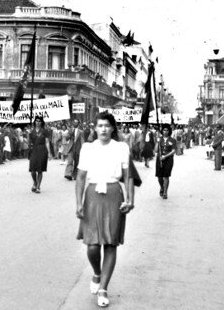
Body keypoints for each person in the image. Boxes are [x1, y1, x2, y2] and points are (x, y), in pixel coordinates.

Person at [75, 112, 134, 308]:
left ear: (113, 129)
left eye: (107, 126)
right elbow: (81, 177)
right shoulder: (87, 148)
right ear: (95, 128)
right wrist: (78, 203)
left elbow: (128, 176)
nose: (103, 129)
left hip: (113, 194)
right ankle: (97, 273)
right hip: (92, 195)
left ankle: (103, 288)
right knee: (92, 245)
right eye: (100, 126)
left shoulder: (121, 148)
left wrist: (130, 199)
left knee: (110, 244)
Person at [28, 116, 51, 193]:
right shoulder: (31, 131)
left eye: (39, 121)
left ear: (42, 122)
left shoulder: (45, 131)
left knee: (40, 170)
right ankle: (35, 182)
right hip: (34, 150)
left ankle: (38, 186)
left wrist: (49, 152)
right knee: (33, 170)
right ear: (34, 122)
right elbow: (29, 142)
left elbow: (47, 142)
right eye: (36, 121)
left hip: (42, 150)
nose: (38, 122)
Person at [155, 125, 176, 199]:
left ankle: (165, 192)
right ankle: (162, 187)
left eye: (167, 130)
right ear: (162, 131)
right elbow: (155, 150)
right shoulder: (159, 139)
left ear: (169, 131)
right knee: (159, 177)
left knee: (166, 176)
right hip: (159, 159)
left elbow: (173, 151)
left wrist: (166, 156)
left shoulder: (172, 140)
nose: (165, 132)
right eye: (164, 130)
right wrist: (157, 143)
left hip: (168, 159)